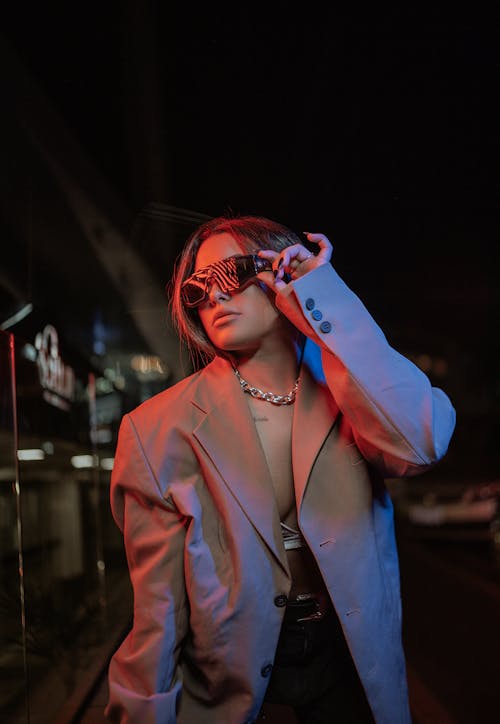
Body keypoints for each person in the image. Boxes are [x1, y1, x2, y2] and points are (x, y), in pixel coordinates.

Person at [104, 214, 456, 724]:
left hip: (350, 660)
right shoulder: (157, 427)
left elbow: (421, 443)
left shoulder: (351, 389)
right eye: (197, 288)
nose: (215, 296)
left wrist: (323, 299)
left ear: (283, 268)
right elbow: (157, 613)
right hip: (229, 678)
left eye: (232, 273)